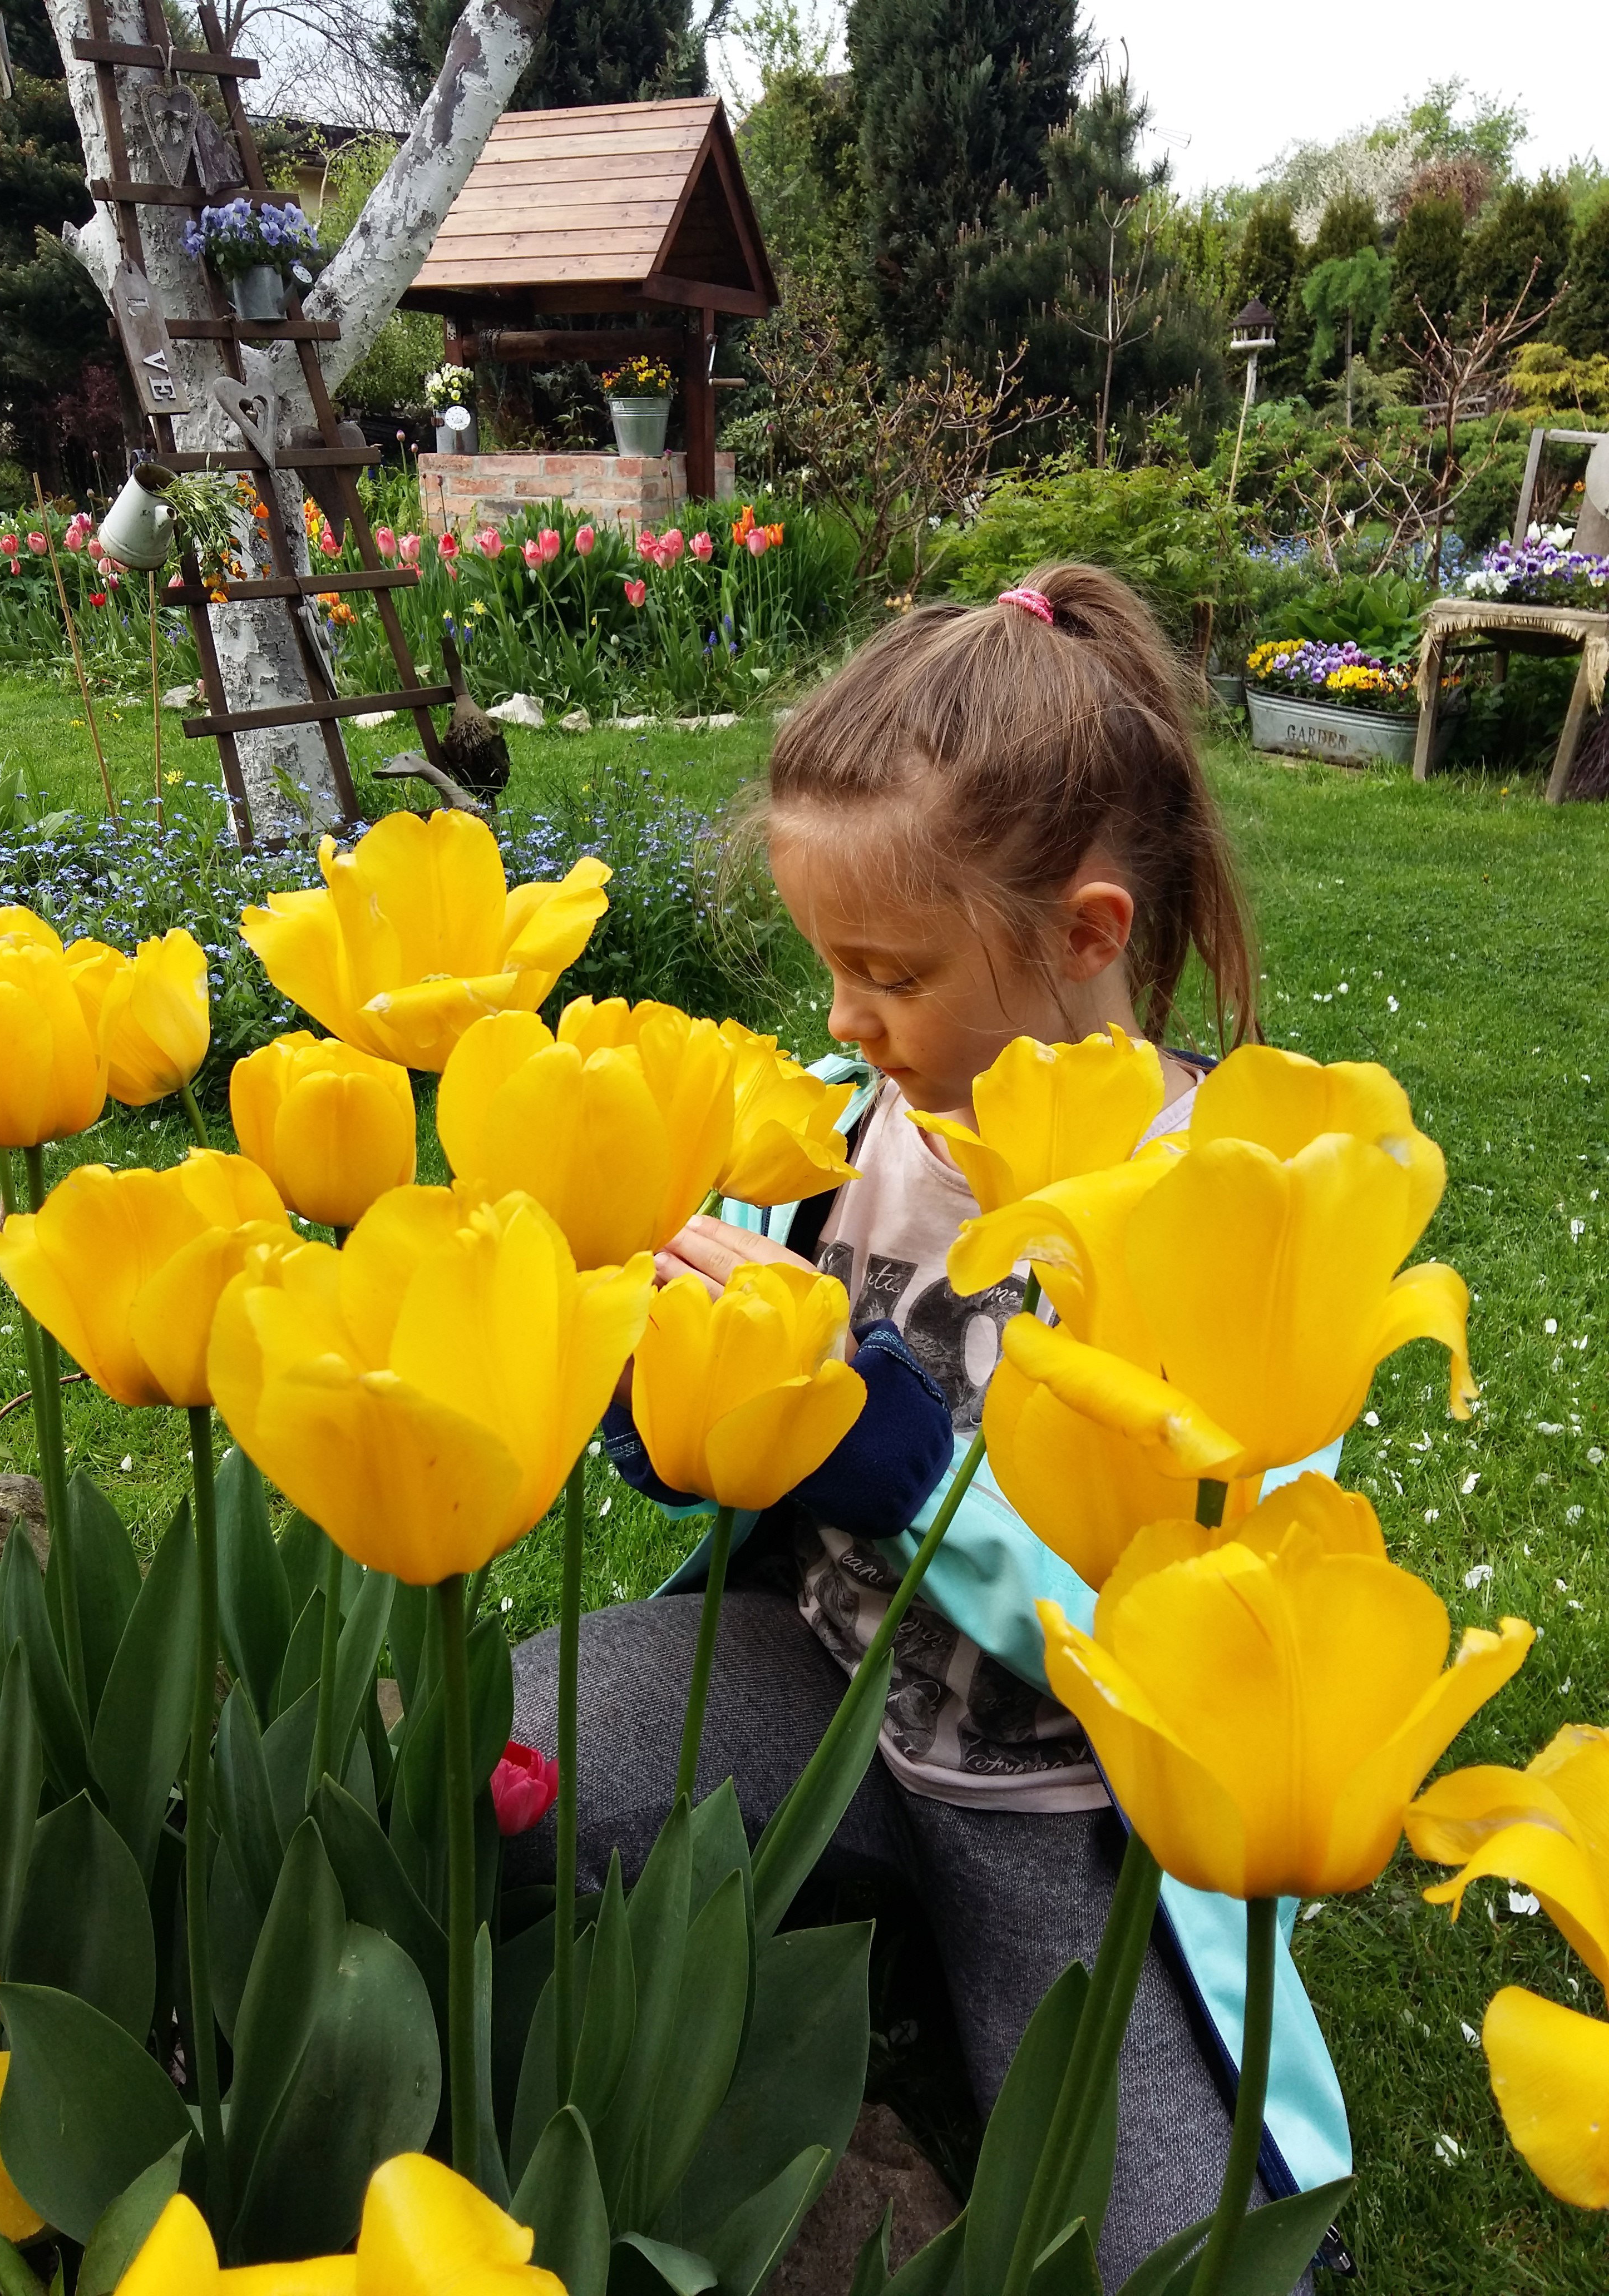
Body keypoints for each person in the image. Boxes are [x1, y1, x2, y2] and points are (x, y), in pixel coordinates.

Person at [506, 567, 1346, 2290]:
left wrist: (907, 1470)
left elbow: (1221, 1633)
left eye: (887, 971)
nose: (842, 1018)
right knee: (510, 1768)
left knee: (1173, 2256)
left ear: (1088, 935)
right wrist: (675, 1409)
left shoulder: (1237, 1216)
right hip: (823, 1684)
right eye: (828, 966)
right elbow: (769, 1460)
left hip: (1063, 1805)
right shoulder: (832, 1136)